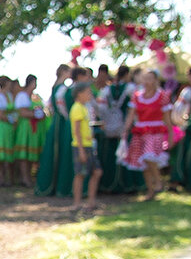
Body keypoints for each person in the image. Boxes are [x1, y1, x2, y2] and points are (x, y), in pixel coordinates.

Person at [122, 69, 175, 200]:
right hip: (140, 131)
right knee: (143, 163)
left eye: (150, 79)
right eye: (145, 78)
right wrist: (125, 130)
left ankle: (158, 181)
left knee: (148, 155)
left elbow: (167, 118)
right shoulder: (137, 96)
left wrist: (171, 135)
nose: (147, 82)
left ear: (156, 80)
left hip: (155, 131)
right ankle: (150, 191)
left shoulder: (162, 96)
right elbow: (131, 115)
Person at [35, 63, 74, 196]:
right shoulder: (62, 88)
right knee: (59, 150)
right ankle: (60, 186)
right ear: (64, 72)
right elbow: (60, 106)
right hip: (61, 122)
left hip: (56, 121)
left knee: (54, 150)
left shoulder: (55, 86)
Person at [96, 65, 136, 193]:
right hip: (125, 125)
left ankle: (108, 182)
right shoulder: (130, 88)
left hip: (109, 125)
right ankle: (126, 184)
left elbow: (100, 109)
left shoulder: (107, 90)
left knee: (110, 155)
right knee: (124, 153)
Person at [69, 82, 102, 211]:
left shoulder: (84, 107)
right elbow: (76, 131)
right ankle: (76, 204)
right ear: (79, 94)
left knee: (96, 172)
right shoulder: (77, 108)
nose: (90, 95)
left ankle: (91, 202)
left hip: (89, 145)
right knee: (80, 174)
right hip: (80, 146)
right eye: (88, 92)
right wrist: (81, 150)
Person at [13, 74, 45, 186]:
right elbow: (22, 112)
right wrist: (35, 114)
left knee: (31, 154)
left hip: (33, 129)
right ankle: (24, 178)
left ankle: (29, 177)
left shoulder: (34, 97)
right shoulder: (22, 96)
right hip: (25, 127)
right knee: (24, 154)